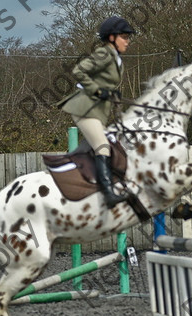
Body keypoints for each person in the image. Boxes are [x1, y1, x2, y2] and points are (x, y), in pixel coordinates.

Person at [57, 16, 135, 208]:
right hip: (84, 108)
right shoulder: (104, 54)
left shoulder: (116, 58)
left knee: (112, 143)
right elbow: (79, 71)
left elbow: (104, 81)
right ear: (111, 38)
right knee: (102, 146)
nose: (128, 41)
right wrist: (98, 91)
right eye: (124, 37)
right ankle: (108, 194)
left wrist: (111, 93)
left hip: (97, 110)